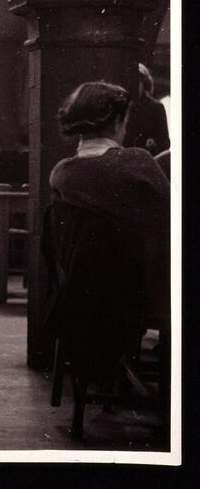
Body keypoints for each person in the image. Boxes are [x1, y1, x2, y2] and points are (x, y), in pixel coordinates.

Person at [47, 81, 170, 392]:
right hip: (142, 294)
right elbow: (167, 221)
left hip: (82, 296)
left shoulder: (61, 173)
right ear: (117, 121)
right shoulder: (137, 161)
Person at [122, 63, 170, 155]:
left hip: (147, 158)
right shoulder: (120, 105)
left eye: (138, 81)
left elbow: (165, 143)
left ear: (144, 83)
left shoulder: (157, 107)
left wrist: (154, 143)